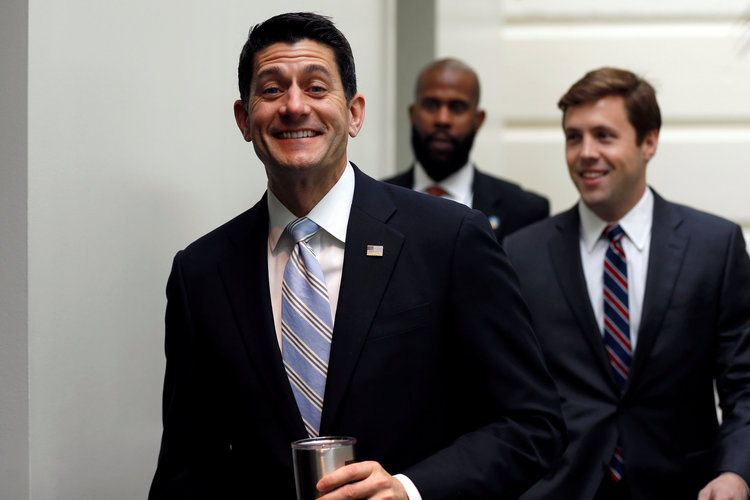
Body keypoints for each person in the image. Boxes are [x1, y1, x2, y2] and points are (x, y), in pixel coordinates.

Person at [148, 12, 565, 500]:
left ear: (355, 113)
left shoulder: (449, 239)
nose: (294, 106)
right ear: (244, 119)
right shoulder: (201, 273)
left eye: (318, 88)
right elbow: (188, 464)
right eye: (272, 89)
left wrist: (410, 490)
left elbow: (532, 425)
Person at [505, 67, 750, 500]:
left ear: (649, 141)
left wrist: (736, 472)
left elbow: (744, 387)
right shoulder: (522, 254)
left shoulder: (715, 246)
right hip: (560, 487)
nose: (585, 153)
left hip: (685, 488)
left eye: (604, 135)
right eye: (573, 137)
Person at [383, 58, 549, 241]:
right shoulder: (374, 201)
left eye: (457, 108)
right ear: (412, 114)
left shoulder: (524, 210)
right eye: (431, 105)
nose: (442, 119)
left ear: (478, 120)